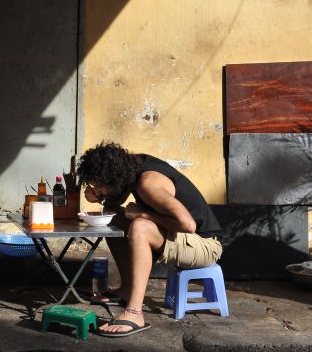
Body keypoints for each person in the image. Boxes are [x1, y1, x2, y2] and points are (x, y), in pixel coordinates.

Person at [76, 141, 222, 337]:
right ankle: (128, 288)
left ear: (112, 180)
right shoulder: (133, 167)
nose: (96, 189)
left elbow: (188, 225)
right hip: (181, 236)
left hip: (204, 244)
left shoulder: (148, 183)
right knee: (113, 216)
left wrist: (143, 214)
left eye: (99, 186)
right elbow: (115, 202)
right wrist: (100, 198)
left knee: (140, 226)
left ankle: (135, 312)